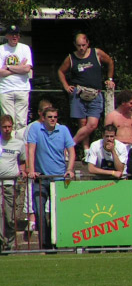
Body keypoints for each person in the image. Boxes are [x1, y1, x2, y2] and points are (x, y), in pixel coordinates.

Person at [57, 33, 115, 158]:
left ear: (88, 43)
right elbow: (61, 71)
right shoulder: (71, 58)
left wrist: (109, 78)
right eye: (79, 46)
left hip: (95, 92)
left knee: (92, 124)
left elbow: (110, 62)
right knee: (82, 123)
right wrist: (66, 86)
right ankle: (86, 150)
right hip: (79, 93)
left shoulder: (97, 53)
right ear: (75, 45)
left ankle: (70, 145)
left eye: (83, 45)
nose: (81, 48)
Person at [27, 106, 75, 250]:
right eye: (50, 117)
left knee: (57, 213)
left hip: (58, 178)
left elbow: (72, 152)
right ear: (43, 117)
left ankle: (58, 243)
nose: (53, 119)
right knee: (40, 212)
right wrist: (31, 170)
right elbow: (31, 149)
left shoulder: (64, 130)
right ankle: (45, 245)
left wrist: (70, 169)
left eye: (55, 117)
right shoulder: (35, 128)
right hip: (41, 178)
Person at [20, 99, 52, 238]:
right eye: (45, 111)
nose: (49, 115)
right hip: (34, 166)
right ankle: (31, 220)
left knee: (48, 198)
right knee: (31, 192)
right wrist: (28, 166)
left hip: (49, 168)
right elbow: (27, 147)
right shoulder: (32, 127)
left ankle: (49, 221)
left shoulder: (56, 126)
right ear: (40, 112)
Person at [0, 115, 26, 250]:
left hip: (11, 183)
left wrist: (22, 172)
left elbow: (22, 162)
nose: (7, 129)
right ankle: (1, 243)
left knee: (9, 217)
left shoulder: (18, 144)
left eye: (9, 127)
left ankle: (9, 243)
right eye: (4, 127)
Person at [0, 25, 33, 131]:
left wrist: (8, 67)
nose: (15, 37)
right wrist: (19, 67)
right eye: (12, 35)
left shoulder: (25, 48)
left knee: (22, 123)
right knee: (8, 122)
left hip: (22, 89)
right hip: (5, 90)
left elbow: (27, 69)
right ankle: (9, 146)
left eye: (17, 35)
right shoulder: (1, 49)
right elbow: (0, 72)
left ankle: (20, 146)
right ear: (7, 36)